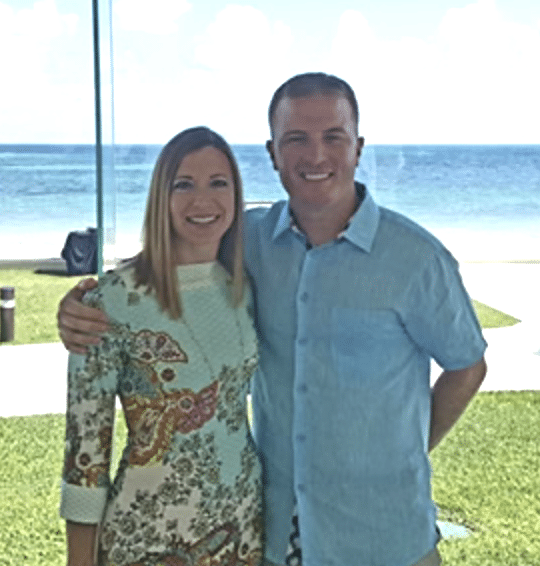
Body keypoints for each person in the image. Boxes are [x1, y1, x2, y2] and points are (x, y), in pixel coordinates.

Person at [58, 73, 487, 566]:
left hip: (386, 539)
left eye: (333, 137)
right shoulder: (251, 242)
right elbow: (175, 253)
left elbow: (468, 365)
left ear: (359, 147)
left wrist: (405, 451)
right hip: (269, 540)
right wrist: (82, 306)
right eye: (296, 139)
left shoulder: (416, 258)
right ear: (272, 154)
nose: (316, 156)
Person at [59, 127, 263, 566]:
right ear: (160, 198)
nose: (202, 200)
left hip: (242, 529)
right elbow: (85, 459)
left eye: (218, 183)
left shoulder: (245, 288)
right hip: (149, 536)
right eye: (183, 184)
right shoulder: (111, 301)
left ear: (236, 195)